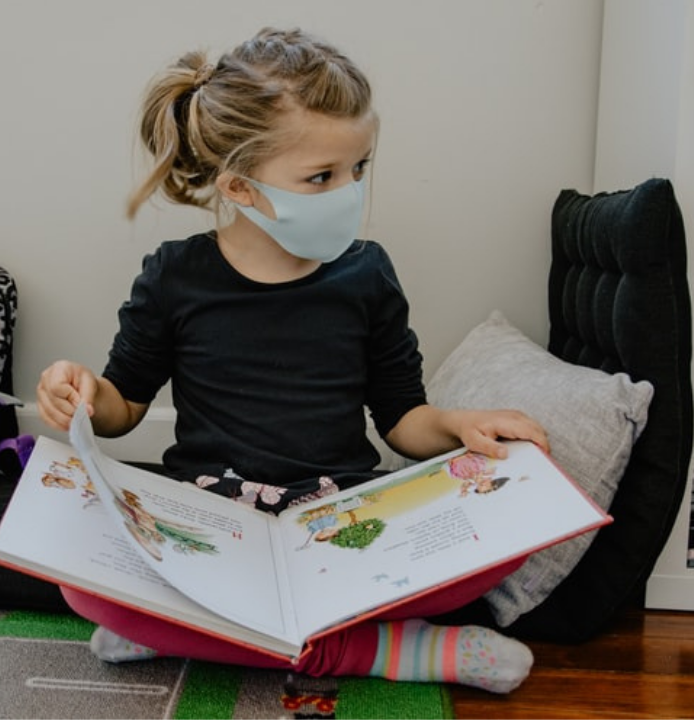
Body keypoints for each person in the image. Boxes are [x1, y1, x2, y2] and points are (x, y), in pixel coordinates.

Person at [37, 27, 550, 695]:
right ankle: (387, 651)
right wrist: (78, 390)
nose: (351, 189)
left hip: (339, 524)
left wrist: (460, 427)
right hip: (213, 526)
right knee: (80, 588)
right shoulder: (174, 277)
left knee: (505, 534)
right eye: (322, 177)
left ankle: (190, 633)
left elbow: (402, 418)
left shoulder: (367, 274)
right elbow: (122, 407)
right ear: (241, 188)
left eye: (359, 168)